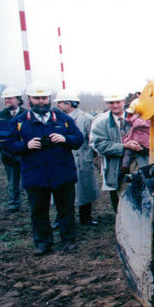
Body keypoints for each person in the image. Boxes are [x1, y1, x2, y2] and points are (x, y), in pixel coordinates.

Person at [1, 82, 83, 255]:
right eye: (36, 98)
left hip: (62, 173)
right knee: (38, 211)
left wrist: (65, 139)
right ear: (29, 99)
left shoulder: (63, 120)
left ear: (49, 99)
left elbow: (78, 139)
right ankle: (43, 242)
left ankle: (68, 240)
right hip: (35, 175)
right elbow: (7, 144)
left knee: (66, 209)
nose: (41, 101)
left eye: (44, 98)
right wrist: (25, 145)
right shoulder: (19, 122)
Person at [90, 92, 148, 213]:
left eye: (118, 102)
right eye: (111, 103)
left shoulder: (138, 119)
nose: (115, 105)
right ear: (107, 104)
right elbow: (99, 145)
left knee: (141, 193)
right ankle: (122, 222)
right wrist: (123, 147)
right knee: (120, 196)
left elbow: (149, 138)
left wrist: (140, 147)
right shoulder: (101, 123)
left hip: (138, 163)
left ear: (123, 102)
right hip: (116, 166)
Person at [54, 89, 100, 226]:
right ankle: (61, 218)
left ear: (69, 103)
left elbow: (93, 140)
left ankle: (86, 217)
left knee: (84, 188)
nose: (57, 106)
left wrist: (89, 155)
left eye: (60, 103)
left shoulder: (86, 118)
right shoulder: (56, 119)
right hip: (62, 160)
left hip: (81, 160)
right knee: (61, 190)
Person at [0, 86, 24, 212]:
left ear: (18, 99)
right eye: (6, 99)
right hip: (8, 156)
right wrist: (9, 152)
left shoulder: (28, 115)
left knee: (31, 180)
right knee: (12, 181)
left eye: (10, 98)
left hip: (27, 154)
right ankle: (14, 203)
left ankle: (35, 201)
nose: (7, 101)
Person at [121, 99, 150, 174]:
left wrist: (133, 118)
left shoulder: (142, 121)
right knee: (127, 152)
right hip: (134, 141)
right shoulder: (133, 121)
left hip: (142, 142)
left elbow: (139, 123)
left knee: (129, 152)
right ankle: (125, 167)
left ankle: (125, 167)